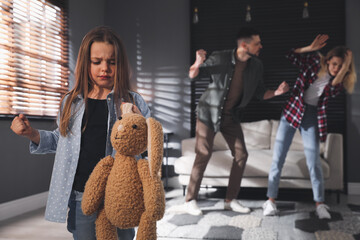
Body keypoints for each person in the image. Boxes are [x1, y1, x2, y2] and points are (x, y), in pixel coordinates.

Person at [10, 26, 150, 240]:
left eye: (112, 62)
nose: (105, 68)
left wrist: (141, 126)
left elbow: (148, 145)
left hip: (120, 194)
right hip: (81, 194)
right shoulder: (71, 102)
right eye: (97, 62)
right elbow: (60, 140)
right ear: (86, 63)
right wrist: (32, 134)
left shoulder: (133, 101)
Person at [172, 27, 289, 216]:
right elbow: (193, 74)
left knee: (241, 154)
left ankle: (230, 200)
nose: (261, 46)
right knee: (203, 153)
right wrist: (198, 62)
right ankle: (190, 200)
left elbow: (260, 93)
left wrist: (276, 93)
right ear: (245, 45)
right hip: (208, 113)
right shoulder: (221, 57)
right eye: (257, 43)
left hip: (230, 117)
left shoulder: (256, 65)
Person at [263, 34, 357, 219]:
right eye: (334, 64)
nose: (336, 68)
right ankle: (270, 201)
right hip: (292, 111)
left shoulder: (337, 83)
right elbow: (290, 55)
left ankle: (320, 204)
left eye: (340, 66)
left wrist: (347, 65)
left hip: (311, 116)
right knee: (278, 159)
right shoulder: (314, 62)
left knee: (314, 161)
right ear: (328, 60)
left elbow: (333, 85)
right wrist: (309, 48)